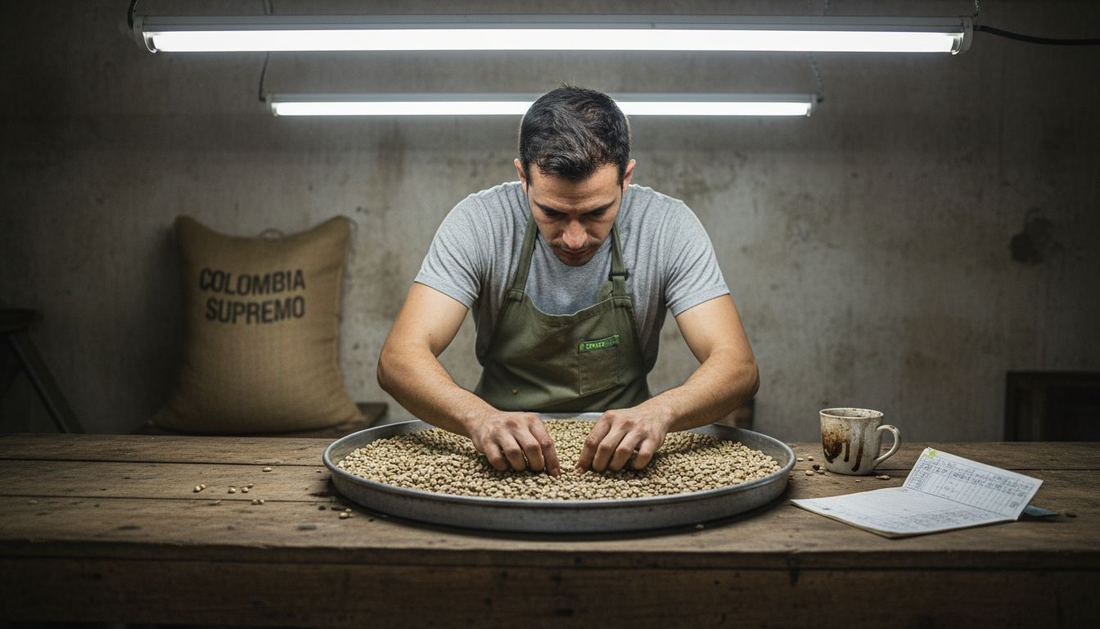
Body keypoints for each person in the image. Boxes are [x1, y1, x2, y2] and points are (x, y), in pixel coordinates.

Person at [377, 85, 758, 477]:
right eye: (553, 213)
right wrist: (479, 419)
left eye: (596, 213)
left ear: (625, 178)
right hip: (497, 453)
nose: (574, 238)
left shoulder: (668, 227)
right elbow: (399, 358)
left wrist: (661, 412)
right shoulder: (479, 223)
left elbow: (738, 367)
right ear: (523, 177)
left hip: (625, 458)